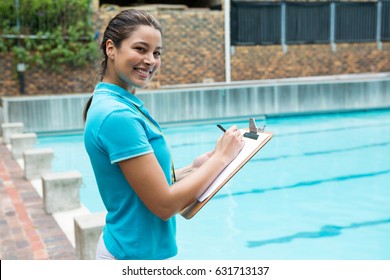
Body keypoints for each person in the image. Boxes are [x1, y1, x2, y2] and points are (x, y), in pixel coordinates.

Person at [83, 9, 244, 260]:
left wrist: (194, 168)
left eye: (156, 53)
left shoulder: (119, 104)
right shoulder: (117, 115)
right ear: (111, 48)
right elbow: (164, 205)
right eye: (140, 49)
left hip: (131, 249)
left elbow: (139, 186)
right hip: (133, 256)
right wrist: (220, 158)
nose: (150, 60)